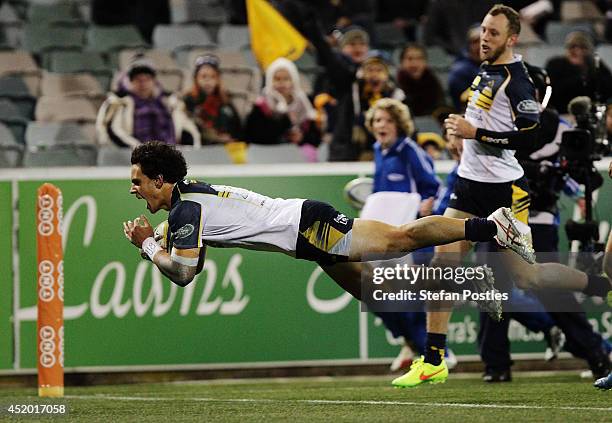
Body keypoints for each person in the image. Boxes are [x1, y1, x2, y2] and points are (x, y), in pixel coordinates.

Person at [392, 4, 612, 389]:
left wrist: (475, 134)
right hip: (468, 183)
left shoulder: (518, 80)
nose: (484, 38)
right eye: (483, 31)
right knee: (442, 264)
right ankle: (433, 358)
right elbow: (484, 121)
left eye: (493, 33)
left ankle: (600, 285)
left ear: (512, 38)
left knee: (528, 278)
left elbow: (529, 135)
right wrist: (461, 132)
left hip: (503, 192)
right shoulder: (486, 70)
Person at [123, 142, 530, 310]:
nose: (134, 190)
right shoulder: (189, 199)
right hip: (303, 234)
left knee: (400, 239)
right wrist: (165, 241)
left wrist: (148, 245)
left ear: (160, 180)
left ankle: (491, 226)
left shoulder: (186, 209)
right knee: (375, 292)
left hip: (307, 226)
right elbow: (200, 243)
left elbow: (185, 272)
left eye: (137, 181)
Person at [96, 55, 200, 148]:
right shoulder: (118, 103)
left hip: (168, 157)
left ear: (154, 81)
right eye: (138, 80)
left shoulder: (169, 102)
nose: (143, 84)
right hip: (133, 159)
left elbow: (188, 130)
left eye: (147, 79)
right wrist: (138, 149)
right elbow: (114, 132)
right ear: (130, 81)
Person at [245, 57, 321, 160]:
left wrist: (302, 138)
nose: (281, 83)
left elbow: (316, 138)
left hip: (296, 157)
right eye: (277, 79)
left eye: (286, 79)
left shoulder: (305, 104)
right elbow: (253, 136)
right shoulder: (261, 104)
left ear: (293, 81)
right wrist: (284, 120)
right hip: (267, 156)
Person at [183, 54, 243, 146]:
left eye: (212, 76)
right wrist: (216, 138)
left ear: (218, 79)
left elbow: (236, 130)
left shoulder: (225, 102)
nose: (208, 81)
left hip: (224, 150)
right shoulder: (188, 101)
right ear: (196, 78)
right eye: (203, 76)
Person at [545, 31, 612, 114]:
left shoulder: (595, 65)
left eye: (582, 47)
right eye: (573, 47)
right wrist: (579, 73)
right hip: (562, 111)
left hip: (591, 112)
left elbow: (606, 89)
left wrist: (585, 69)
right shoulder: (556, 64)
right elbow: (555, 91)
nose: (577, 50)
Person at [396, 44, 447, 117]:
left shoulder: (433, 83)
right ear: (401, 62)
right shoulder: (395, 85)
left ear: (425, 62)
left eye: (419, 59)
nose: (414, 64)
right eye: (410, 59)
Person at [448, 25, 482, 112]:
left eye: (483, 41)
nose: (480, 46)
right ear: (468, 45)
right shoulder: (459, 71)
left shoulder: (497, 65)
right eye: (475, 42)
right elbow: (464, 101)